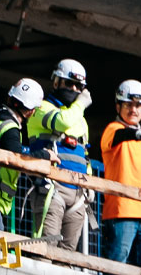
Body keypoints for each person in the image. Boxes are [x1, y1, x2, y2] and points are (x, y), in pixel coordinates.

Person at [24, 58, 94, 250]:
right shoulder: (41, 107)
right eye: (69, 83)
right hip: (51, 187)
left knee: (68, 253)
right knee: (46, 246)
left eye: (78, 86)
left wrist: (89, 182)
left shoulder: (80, 119)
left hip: (77, 192)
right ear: (56, 82)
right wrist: (80, 105)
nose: (74, 89)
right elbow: (62, 122)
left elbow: (85, 153)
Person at [97, 80, 141, 269]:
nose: (133, 109)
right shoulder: (113, 130)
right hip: (121, 211)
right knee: (116, 265)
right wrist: (135, 134)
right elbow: (119, 136)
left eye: (138, 105)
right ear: (118, 106)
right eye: (128, 104)